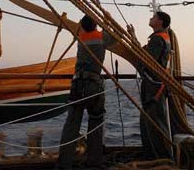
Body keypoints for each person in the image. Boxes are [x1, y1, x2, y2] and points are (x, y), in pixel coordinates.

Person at [57, 14, 115, 170]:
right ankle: (94, 163)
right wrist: (107, 20)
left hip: (77, 84)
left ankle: (64, 164)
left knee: (71, 124)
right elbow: (115, 36)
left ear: (82, 26)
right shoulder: (102, 37)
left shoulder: (80, 37)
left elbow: (78, 28)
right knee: (96, 122)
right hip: (93, 85)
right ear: (96, 26)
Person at [127, 11, 173, 160]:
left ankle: (159, 158)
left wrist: (140, 65)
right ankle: (156, 155)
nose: (150, 18)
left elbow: (146, 59)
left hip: (153, 87)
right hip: (156, 85)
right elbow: (143, 53)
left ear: (160, 22)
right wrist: (132, 35)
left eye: (153, 17)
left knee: (153, 122)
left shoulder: (157, 40)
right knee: (152, 120)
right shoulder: (162, 38)